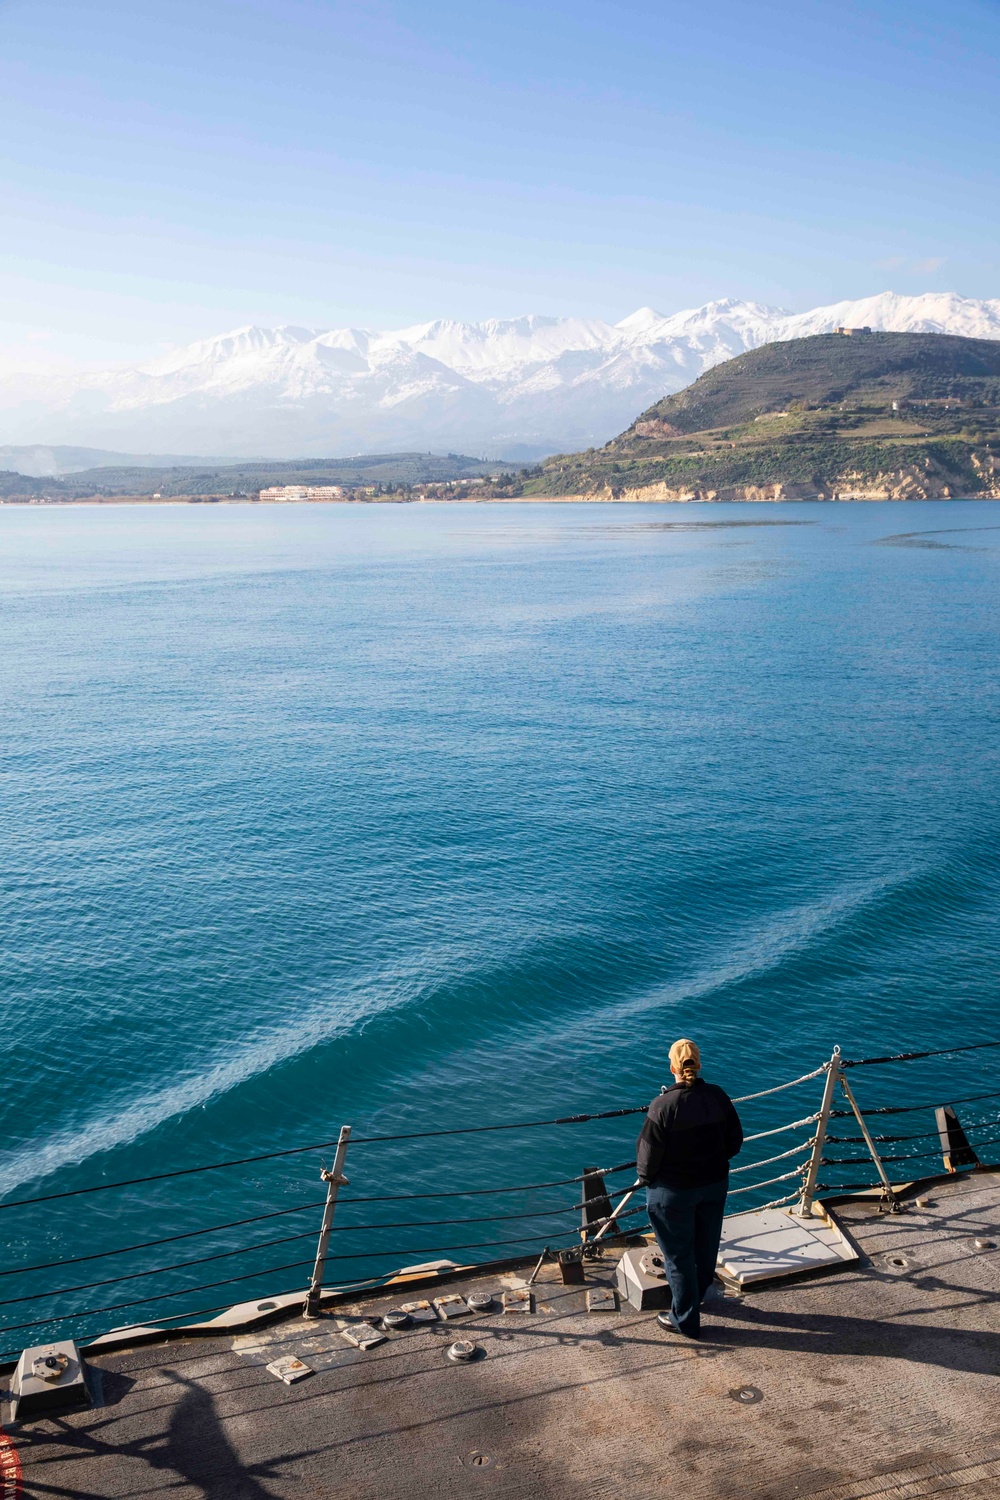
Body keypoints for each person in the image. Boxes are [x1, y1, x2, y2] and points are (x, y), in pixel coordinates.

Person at [636, 1038, 743, 1339]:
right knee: (706, 1247)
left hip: (674, 1193)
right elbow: (734, 1142)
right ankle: (696, 1298)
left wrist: (655, 1182)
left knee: (678, 1256)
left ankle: (684, 1320)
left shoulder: (662, 1106)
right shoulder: (718, 1097)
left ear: (672, 1068)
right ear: (699, 1064)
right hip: (713, 1185)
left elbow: (645, 1164)